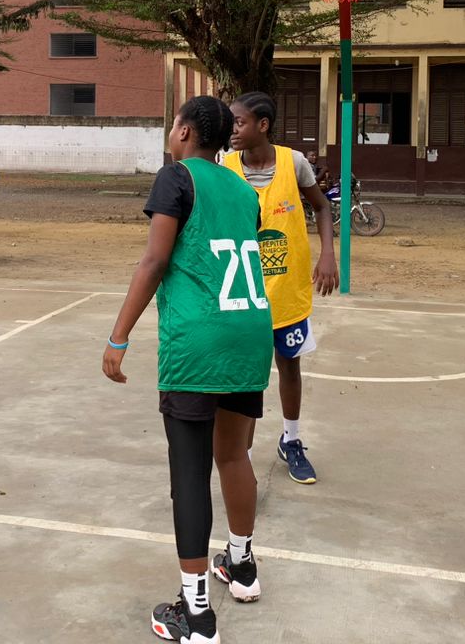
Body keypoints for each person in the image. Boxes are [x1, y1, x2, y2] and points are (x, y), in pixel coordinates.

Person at [103, 96, 274, 644]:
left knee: (190, 471)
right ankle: (241, 566)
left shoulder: (175, 178)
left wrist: (118, 334)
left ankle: (196, 615)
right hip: (250, 334)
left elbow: (154, 260)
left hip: (199, 342)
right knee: (234, 454)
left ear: (183, 130)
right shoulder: (244, 189)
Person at [226, 92, 338, 485]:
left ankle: (291, 439)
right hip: (242, 292)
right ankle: (243, 453)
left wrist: (328, 255)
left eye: (239, 122)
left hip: (287, 289)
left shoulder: (294, 162)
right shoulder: (225, 166)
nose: (232, 129)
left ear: (263, 124)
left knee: (289, 366)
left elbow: (321, 206)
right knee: (247, 374)